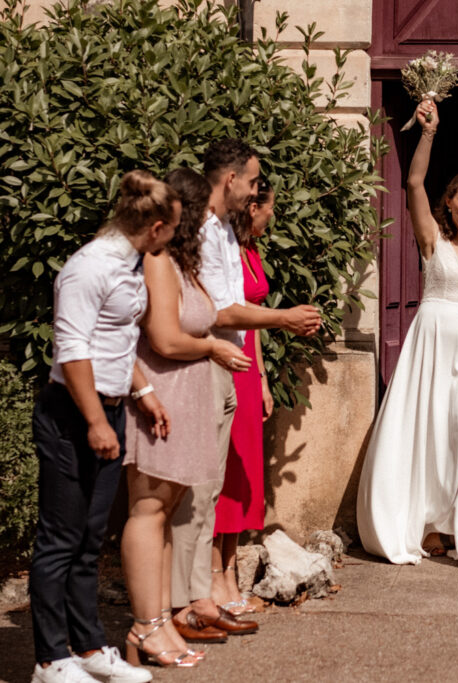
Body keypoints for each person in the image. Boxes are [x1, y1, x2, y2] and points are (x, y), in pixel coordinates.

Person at [170, 139, 320, 642]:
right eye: (254, 181)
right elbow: (219, 310)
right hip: (208, 360)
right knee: (198, 492)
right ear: (231, 179)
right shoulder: (202, 230)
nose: (257, 192)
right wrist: (284, 318)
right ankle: (188, 604)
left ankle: (201, 599)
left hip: (231, 361)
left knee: (211, 489)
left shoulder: (222, 231)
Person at [29, 170, 175, 683]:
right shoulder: (87, 268)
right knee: (59, 541)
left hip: (110, 410)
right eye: (172, 229)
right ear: (155, 227)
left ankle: (89, 649)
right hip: (71, 415)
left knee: (89, 539)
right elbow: (72, 350)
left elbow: (115, 341)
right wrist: (94, 421)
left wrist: (141, 392)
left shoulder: (129, 264)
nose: (174, 238)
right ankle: (50, 659)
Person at [357, 99, 458, 568]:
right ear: (449, 202)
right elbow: (413, 182)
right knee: (431, 432)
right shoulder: (431, 239)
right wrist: (429, 132)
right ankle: (430, 525)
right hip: (433, 342)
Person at [119, 167, 253, 669]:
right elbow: (164, 339)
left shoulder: (184, 263)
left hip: (188, 395)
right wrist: (213, 347)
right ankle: (146, 626)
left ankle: (159, 624)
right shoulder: (159, 262)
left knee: (168, 514)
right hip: (166, 395)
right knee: (150, 510)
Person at [213, 176, 276, 612]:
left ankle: (231, 575)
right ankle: (214, 580)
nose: (272, 216)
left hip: (249, 370)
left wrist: (263, 378)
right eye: (270, 208)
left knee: (243, 474)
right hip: (225, 365)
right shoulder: (225, 253)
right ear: (253, 208)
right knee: (224, 474)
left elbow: (252, 325)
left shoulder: (251, 250)